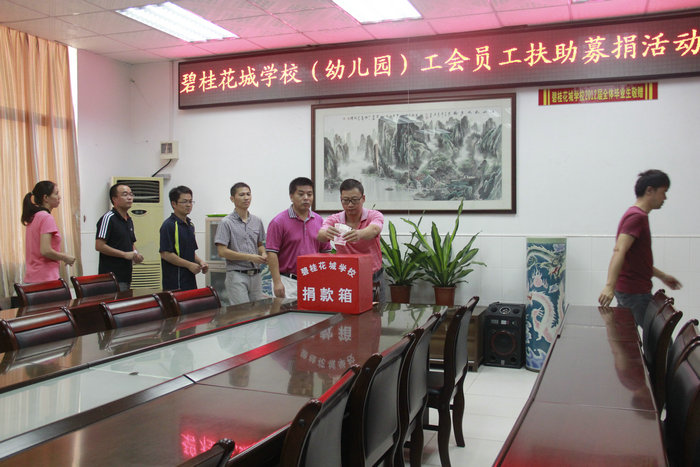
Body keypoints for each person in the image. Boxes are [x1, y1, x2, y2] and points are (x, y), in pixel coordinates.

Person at [598, 169, 682, 326]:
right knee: (659, 338)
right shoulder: (637, 217)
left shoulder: (637, 216)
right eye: (663, 192)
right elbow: (619, 250)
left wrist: (663, 276)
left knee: (627, 334)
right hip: (634, 292)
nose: (665, 198)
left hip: (633, 290)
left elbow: (638, 261)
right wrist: (609, 286)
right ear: (650, 190)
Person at [317, 178, 385, 300]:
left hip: (372, 277)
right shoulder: (335, 219)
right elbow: (320, 234)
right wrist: (327, 233)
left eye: (354, 200)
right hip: (345, 275)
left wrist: (359, 234)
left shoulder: (374, 215)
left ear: (363, 198)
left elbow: (375, 229)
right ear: (341, 199)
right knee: (345, 310)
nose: (350, 205)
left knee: (375, 311)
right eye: (345, 200)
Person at [266, 177, 332, 298]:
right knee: (286, 311)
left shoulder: (319, 220)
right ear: (291, 196)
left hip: (314, 281)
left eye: (309, 194)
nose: (306, 198)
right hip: (288, 282)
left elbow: (325, 251)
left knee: (314, 311)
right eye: (301, 194)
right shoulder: (278, 222)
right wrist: (277, 282)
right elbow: (271, 253)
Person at [215, 182, 267, 305]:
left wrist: (264, 253)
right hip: (237, 275)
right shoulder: (226, 222)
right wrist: (250, 257)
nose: (246, 198)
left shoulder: (257, 221)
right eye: (242, 195)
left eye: (248, 194)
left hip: (256, 275)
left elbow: (259, 244)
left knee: (258, 311)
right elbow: (222, 252)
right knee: (243, 313)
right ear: (232, 198)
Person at [21, 181, 75, 283]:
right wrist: (65, 257)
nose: (59, 197)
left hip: (32, 277)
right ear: (45, 198)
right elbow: (45, 250)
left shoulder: (34, 217)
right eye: (56, 194)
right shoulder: (46, 217)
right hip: (46, 278)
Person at [96, 183, 144, 291]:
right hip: (111, 278)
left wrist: (136, 254)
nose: (129, 198)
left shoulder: (129, 219)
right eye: (125, 194)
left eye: (131, 194)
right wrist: (124, 254)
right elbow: (99, 246)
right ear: (114, 199)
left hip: (126, 275)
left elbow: (130, 243)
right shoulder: (108, 218)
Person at [159, 185, 208, 291]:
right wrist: (189, 265)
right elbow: (166, 254)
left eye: (190, 201)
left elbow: (190, 252)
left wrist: (201, 262)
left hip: (189, 280)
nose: (188, 205)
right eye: (184, 202)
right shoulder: (169, 225)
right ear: (174, 204)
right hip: (175, 282)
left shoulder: (190, 225)